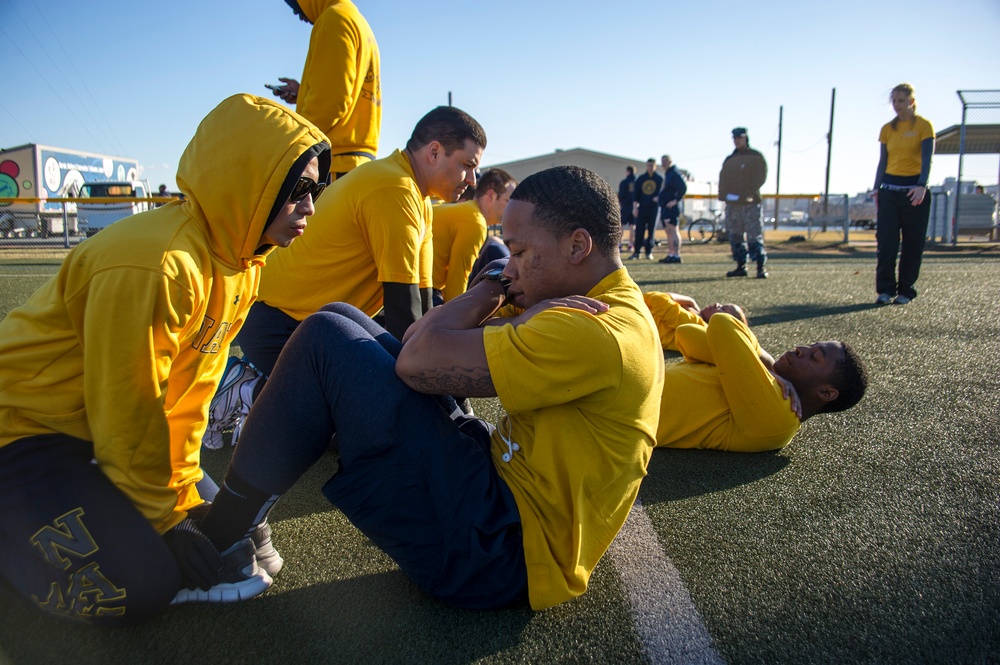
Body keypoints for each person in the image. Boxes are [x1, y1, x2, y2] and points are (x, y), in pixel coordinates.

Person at [194, 165, 664, 611]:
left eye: (518, 254)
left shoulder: (590, 327)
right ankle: (242, 522)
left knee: (325, 340)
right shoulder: (595, 301)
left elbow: (416, 362)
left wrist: (491, 290)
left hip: (503, 552)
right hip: (497, 492)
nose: (512, 268)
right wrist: (498, 284)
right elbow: (416, 343)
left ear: (578, 245)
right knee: (341, 316)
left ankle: (222, 536)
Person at [0, 93, 331, 625]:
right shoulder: (159, 263)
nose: (311, 207)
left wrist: (181, 490)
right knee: (138, 585)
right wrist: (164, 518)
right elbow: (128, 407)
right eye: (298, 189)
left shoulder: (241, 262)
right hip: (24, 434)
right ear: (248, 179)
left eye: (318, 189)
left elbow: (187, 396)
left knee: (229, 533)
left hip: (97, 432)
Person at [203, 106, 486, 448]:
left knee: (391, 408)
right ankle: (247, 389)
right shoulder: (394, 188)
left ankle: (270, 389)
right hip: (276, 322)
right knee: (369, 425)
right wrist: (441, 404)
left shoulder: (419, 197)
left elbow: (424, 306)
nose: (473, 180)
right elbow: (403, 316)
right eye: (468, 166)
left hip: (308, 321)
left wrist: (454, 402)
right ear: (435, 151)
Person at [643, 291, 868, 453]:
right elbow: (687, 335)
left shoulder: (780, 418)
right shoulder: (762, 378)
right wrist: (766, 368)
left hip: (622, 411)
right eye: (810, 345)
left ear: (826, 393)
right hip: (626, 388)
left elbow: (723, 323)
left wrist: (766, 361)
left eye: (815, 356)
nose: (802, 349)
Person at [269, 0, 381, 179]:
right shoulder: (356, 20)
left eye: (294, 4)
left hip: (333, 162)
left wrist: (293, 146)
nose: (296, 12)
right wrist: (302, 94)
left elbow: (331, 102)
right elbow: (345, 91)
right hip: (356, 161)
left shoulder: (333, 19)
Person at [872, 83, 935, 306]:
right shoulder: (888, 129)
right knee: (887, 243)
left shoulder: (924, 126)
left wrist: (921, 184)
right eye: (894, 101)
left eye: (901, 100)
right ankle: (885, 290)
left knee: (912, 243)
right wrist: (877, 188)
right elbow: (883, 162)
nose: (897, 105)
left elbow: (927, 159)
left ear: (911, 101)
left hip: (914, 192)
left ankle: (906, 290)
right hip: (889, 190)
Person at [431, 168, 517, 304]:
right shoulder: (474, 221)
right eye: (508, 201)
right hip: (425, 288)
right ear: (490, 196)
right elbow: (457, 281)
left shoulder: (465, 212)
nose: (511, 209)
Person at [719, 127, 769, 278]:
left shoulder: (756, 157)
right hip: (733, 204)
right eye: (735, 138)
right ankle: (741, 265)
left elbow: (761, 176)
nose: (737, 141)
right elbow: (723, 179)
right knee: (735, 235)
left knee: (754, 235)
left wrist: (748, 192)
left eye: (739, 138)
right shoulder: (730, 159)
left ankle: (761, 267)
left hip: (750, 202)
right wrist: (724, 196)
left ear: (746, 138)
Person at [657, 155, 687, 264]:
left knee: (673, 230)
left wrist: (675, 200)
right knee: (668, 231)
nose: (663, 163)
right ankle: (671, 254)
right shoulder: (668, 174)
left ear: (670, 161)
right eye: (662, 161)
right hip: (665, 207)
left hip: (671, 208)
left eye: (665, 161)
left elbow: (683, 187)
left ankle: (677, 255)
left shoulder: (674, 173)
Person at [629, 158, 662, 260]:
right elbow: (636, 195)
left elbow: (664, 192)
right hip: (642, 207)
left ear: (655, 166)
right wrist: (635, 208)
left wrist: (659, 198)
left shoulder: (660, 179)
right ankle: (637, 252)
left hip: (654, 208)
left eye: (652, 166)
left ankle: (649, 251)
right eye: (648, 165)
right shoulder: (641, 178)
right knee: (639, 230)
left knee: (651, 231)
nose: (650, 168)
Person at [618, 165, 636, 253]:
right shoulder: (637, 182)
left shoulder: (624, 182)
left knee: (622, 226)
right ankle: (630, 244)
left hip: (625, 206)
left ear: (627, 171)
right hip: (635, 207)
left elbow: (621, 195)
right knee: (632, 227)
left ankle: (619, 244)